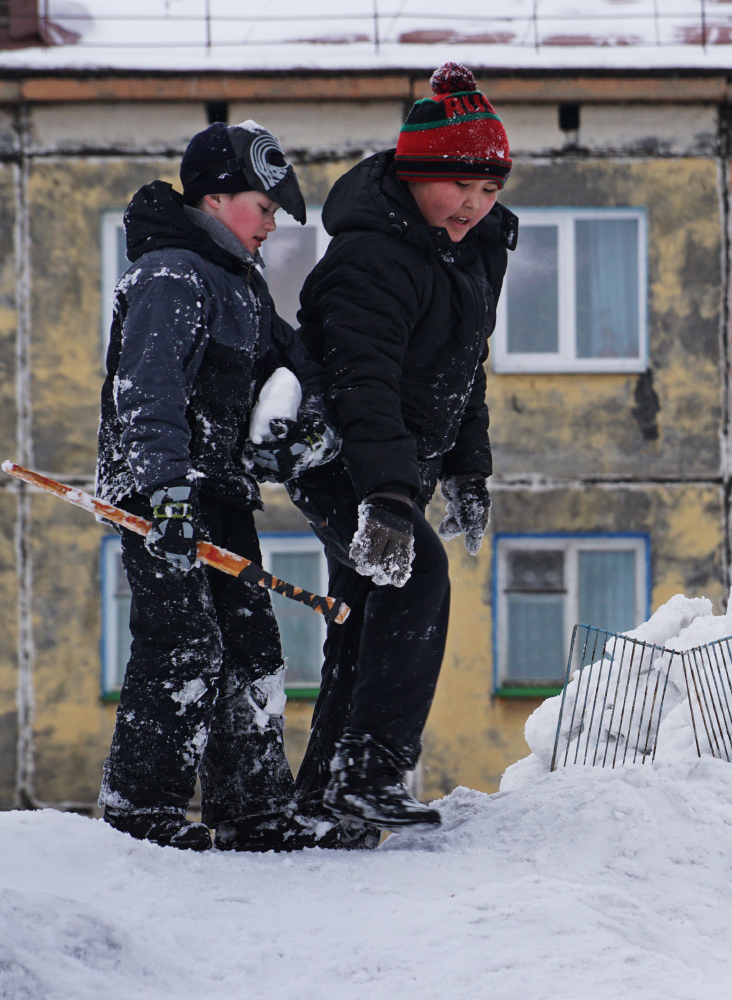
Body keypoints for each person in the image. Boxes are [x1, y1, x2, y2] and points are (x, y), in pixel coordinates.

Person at [94, 120, 339, 852]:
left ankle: (254, 810)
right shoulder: (171, 275)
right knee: (184, 644)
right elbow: (149, 391)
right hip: (160, 498)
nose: (271, 224)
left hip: (221, 495)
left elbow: (287, 362)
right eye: (263, 208)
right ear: (216, 197)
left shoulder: (238, 285)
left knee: (252, 647)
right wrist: (166, 491)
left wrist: (302, 411)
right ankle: (142, 816)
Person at [287, 63, 517, 832]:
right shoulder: (372, 258)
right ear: (419, 173)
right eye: (462, 188)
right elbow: (363, 384)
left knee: (362, 614)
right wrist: (386, 497)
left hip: (396, 462)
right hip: (343, 454)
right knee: (414, 579)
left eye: (490, 192)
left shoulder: (463, 253)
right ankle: (371, 770)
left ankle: (326, 796)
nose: (475, 207)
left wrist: (468, 468)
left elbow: (462, 368)